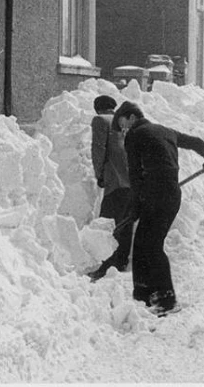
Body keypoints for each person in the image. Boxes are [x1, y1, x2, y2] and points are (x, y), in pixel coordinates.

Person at [112, 101, 204, 316]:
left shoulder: (135, 134)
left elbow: (135, 174)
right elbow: (195, 142)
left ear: (132, 118)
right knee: (143, 242)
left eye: (122, 125)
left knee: (151, 245)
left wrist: (136, 204)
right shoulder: (165, 130)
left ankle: (166, 299)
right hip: (170, 195)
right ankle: (144, 294)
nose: (123, 131)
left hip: (155, 194)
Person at [86, 95, 134, 282]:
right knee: (125, 221)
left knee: (106, 223)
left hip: (115, 181)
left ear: (98, 109)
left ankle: (106, 266)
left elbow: (98, 149)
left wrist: (99, 175)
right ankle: (121, 262)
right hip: (132, 181)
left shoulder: (100, 121)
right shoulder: (126, 122)